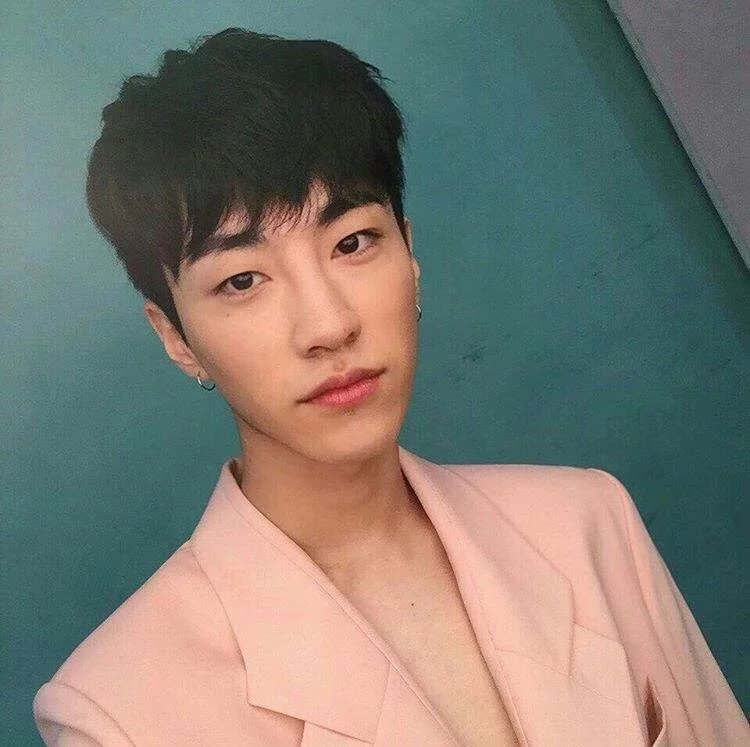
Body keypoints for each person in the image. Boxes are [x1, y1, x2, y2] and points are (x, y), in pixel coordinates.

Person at [32, 27, 747, 747]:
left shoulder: (588, 523)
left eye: (352, 243)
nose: (329, 324)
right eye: (242, 280)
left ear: (411, 254)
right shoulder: (118, 712)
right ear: (176, 337)